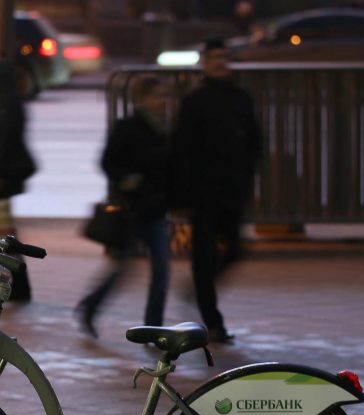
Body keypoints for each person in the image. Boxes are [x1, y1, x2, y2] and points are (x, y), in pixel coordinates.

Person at [171, 37, 261, 344]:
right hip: (203, 191)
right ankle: (213, 321)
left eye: (224, 57)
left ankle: (200, 290)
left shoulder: (240, 97)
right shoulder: (195, 101)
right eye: (214, 57)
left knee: (233, 249)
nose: (220, 62)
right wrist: (184, 195)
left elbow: (254, 140)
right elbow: (182, 149)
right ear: (205, 62)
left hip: (231, 188)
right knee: (204, 255)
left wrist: (247, 175)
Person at [76, 75, 172, 337]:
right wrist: (127, 180)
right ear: (141, 99)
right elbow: (108, 162)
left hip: (156, 210)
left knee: (161, 270)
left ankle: (153, 326)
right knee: (123, 268)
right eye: (157, 96)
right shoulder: (128, 127)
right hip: (132, 210)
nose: (162, 101)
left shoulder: (164, 129)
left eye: (165, 96)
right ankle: (91, 306)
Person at [0, 58, 36, 301]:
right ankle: (17, 284)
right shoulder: (5, 101)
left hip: (2, 177)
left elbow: (2, 142)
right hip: (1, 176)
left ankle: (18, 285)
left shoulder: (8, 104)